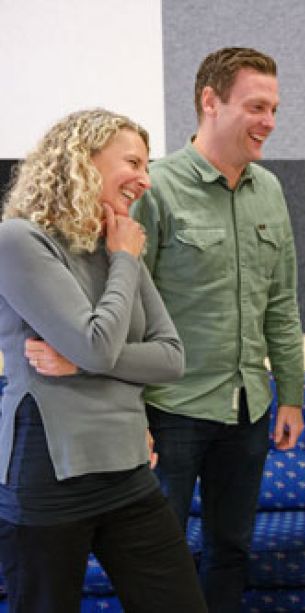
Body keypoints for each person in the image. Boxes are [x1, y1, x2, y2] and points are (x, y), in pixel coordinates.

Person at [0, 108, 206, 612]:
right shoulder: (20, 241)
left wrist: (80, 363)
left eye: (147, 166)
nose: (145, 180)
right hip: (50, 475)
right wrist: (126, 261)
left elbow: (171, 357)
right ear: (82, 161)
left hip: (128, 469)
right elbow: (98, 345)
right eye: (133, 163)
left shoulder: (114, 244)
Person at [131, 47, 305, 611]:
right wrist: (130, 412)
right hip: (170, 409)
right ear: (210, 101)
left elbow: (282, 303)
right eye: (256, 107)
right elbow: (125, 309)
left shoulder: (270, 190)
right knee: (157, 556)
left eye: (274, 109)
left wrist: (291, 395)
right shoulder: (155, 188)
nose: (269, 122)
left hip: (248, 410)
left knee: (231, 550)